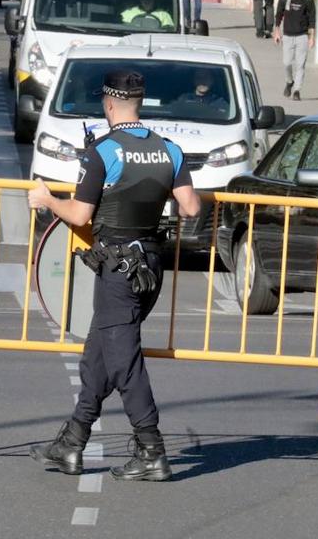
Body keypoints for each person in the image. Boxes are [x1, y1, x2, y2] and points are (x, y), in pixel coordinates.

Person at [27, 69, 201, 482]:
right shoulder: (169, 150)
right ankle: (72, 442)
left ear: (108, 105)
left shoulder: (103, 151)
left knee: (123, 361)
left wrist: (48, 199)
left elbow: (81, 214)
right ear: (137, 103)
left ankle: (152, 449)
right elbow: (191, 208)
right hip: (150, 268)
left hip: (118, 272)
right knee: (100, 355)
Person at [273, 0, 315, 100]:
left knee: (300, 64)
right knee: (286, 63)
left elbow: (312, 19)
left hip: (302, 35)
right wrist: (276, 31)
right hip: (288, 35)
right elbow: (279, 14)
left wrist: (312, 37)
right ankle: (289, 81)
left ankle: (297, 90)